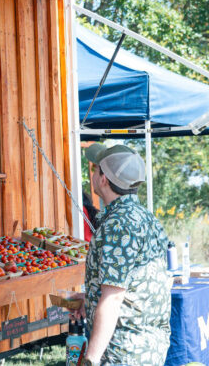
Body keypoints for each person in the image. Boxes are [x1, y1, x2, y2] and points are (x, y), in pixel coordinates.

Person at [70, 143, 171, 366]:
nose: (93, 175)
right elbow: (134, 284)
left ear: (103, 179)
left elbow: (114, 297)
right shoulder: (146, 218)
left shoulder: (117, 226)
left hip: (124, 351)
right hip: (148, 346)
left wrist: (91, 359)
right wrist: (92, 300)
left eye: (95, 170)